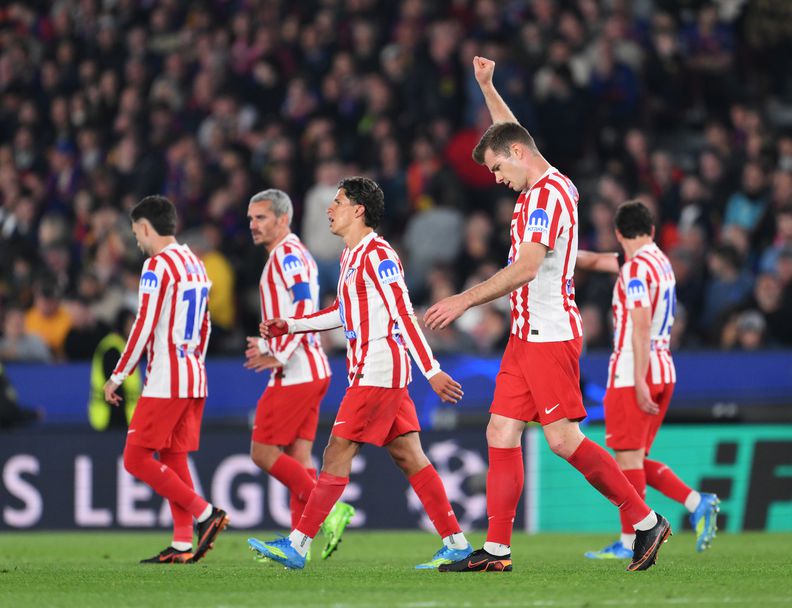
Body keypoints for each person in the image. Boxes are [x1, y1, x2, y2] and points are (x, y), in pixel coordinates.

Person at [424, 56, 671, 573]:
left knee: (563, 440)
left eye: (497, 168)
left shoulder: (545, 199)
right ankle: (497, 551)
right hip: (525, 334)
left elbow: (526, 268)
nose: (496, 179)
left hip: (549, 334)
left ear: (516, 157)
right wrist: (488, 87)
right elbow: (513, 135)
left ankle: (645, 521)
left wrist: (463, 299)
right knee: (500, 431)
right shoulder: (544, 177)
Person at [248, 176, 472, 570]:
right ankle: (456, 543)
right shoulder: (350, 257)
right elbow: (341, 311)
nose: (329, 209)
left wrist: (432, 371)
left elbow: (404, 314)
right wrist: (291, 325)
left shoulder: (379, 255)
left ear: (358, 210)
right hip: (373, 371)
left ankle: (298, 544)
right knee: (410, 456)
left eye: (337, 202)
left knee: (337, 451)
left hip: (379, 370)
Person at [576, 201, 720, 559]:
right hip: (664, 367)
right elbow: (593, 260)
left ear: (618, 233)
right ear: (652, 231)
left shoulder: (634, 269)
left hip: (633, 370)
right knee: (634, 460)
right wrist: (554, 255)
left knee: (626, 460)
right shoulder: (659, 262)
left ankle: (630, 542)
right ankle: (696, 501)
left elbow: (640, 325)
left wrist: (639, 379)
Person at [103, 195, 229, 564]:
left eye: (136, 233)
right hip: (193, 373)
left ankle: (206, 513)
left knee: (135, 458)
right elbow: (205, 326)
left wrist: (118, 374)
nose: (137, 241)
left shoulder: (157, 266)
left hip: (166, 378)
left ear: (145, 228)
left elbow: (143, 324)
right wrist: (193, 363)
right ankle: (181, 543)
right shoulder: (195, 263)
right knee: (173, 457)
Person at [244, 188, 354, 559]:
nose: (253, 225)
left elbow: (305, 303)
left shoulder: (287, 254)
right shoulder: (290, 254)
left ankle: (330, 510)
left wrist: (278, 353)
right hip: (310, 368)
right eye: (251, 218)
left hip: (296, 372)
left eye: (261, 217)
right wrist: (267, 344)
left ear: (283, 218)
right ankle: (297, 547)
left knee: (262, 452)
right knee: (299, 458)